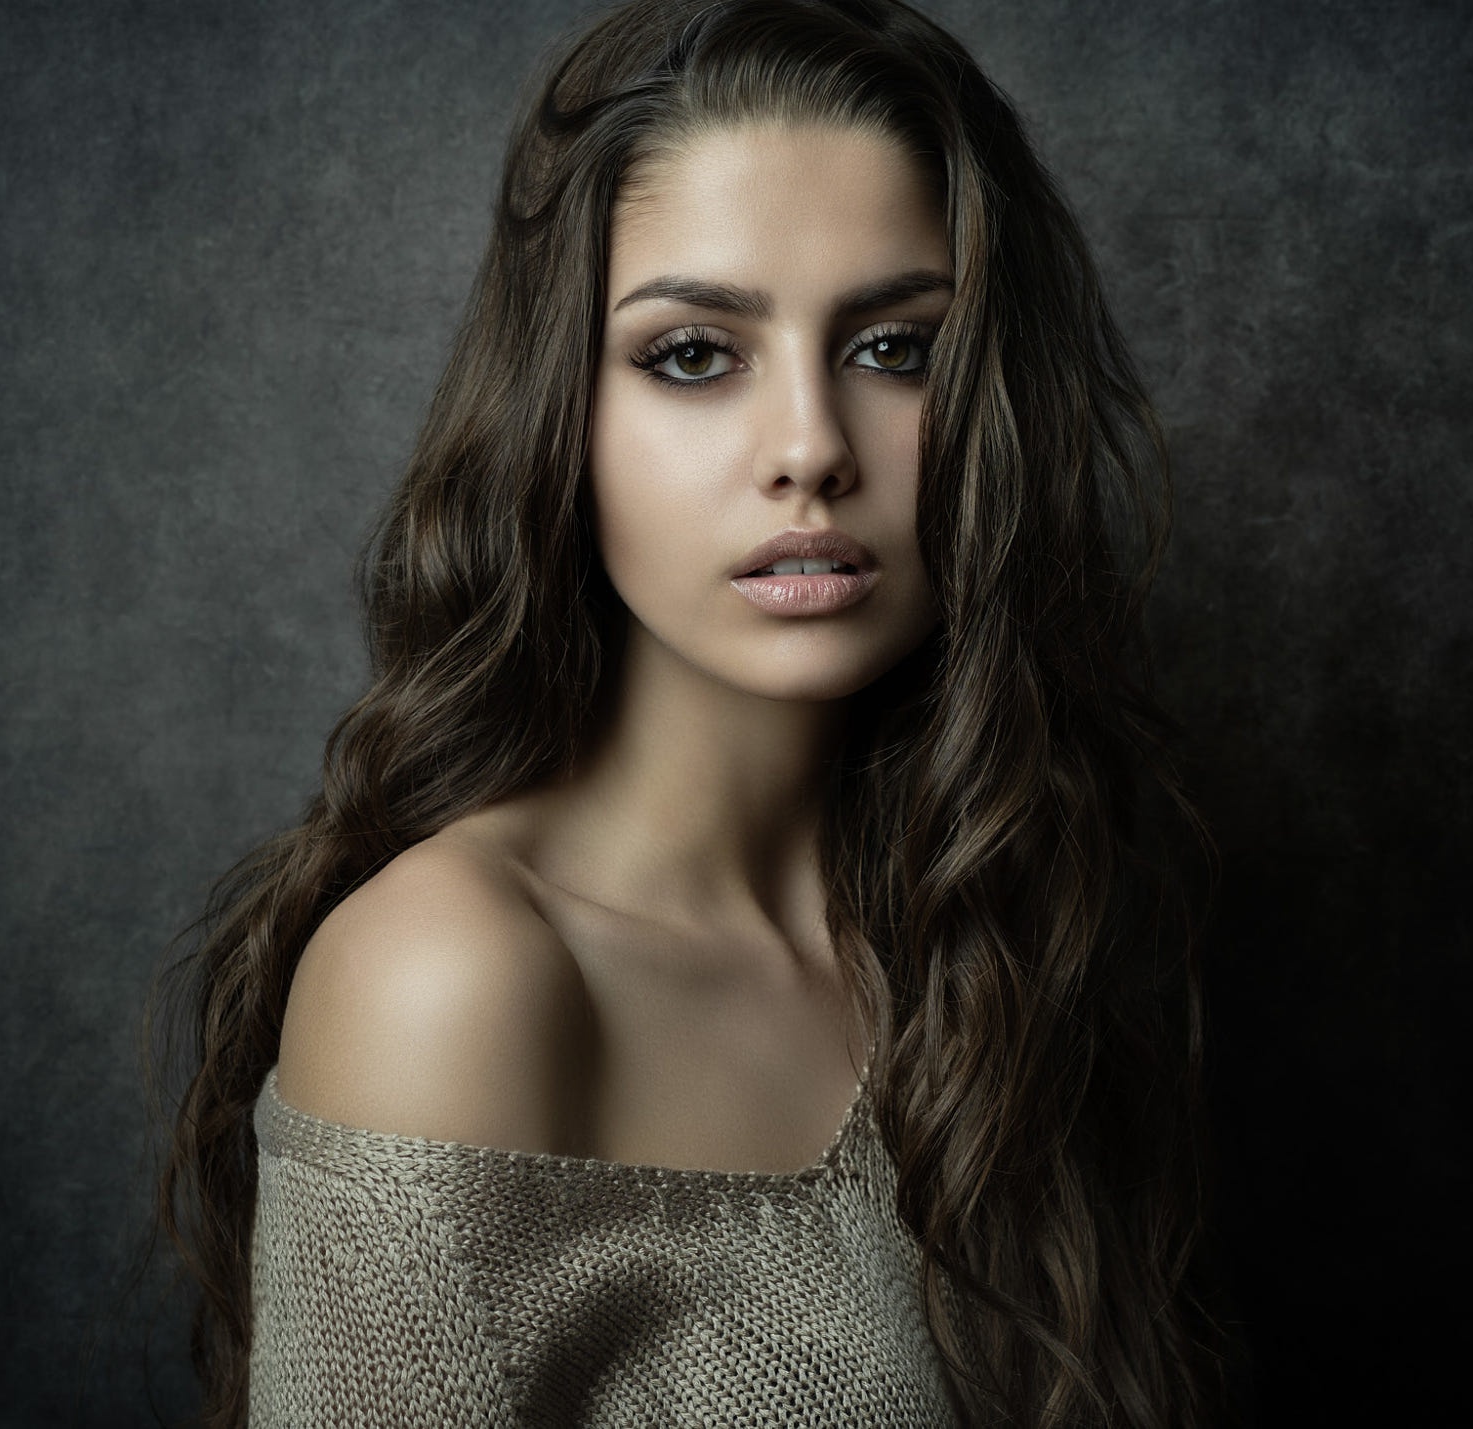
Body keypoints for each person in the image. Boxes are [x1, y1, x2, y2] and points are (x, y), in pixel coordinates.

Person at [152, 0, 1230, 1424]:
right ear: (559, 417)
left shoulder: (985, 908)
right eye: (694, 355)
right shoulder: (456, 976)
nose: (809, 449)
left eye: (896, 348)